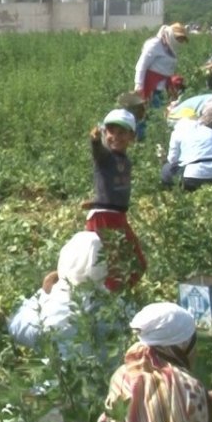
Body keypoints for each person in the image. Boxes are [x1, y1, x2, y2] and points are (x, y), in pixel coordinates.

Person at [7, 231, 115, 358]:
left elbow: (17, 328)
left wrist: (44, 292)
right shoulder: (114, 306)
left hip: (59, 375)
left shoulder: (55, 303)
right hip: (106, 376)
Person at [85, 109, 146, 292]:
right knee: (109, 264)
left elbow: (108, 186)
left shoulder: (124, 160)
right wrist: (95, 141)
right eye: (111, 132)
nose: (116, 137)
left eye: (122, 133)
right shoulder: (105, 157)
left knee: (137, 262)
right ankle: (109, 298)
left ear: (132, 137)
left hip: (117, 215)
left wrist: (95, 199)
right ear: (104, 133)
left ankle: (117, 295)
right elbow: (98, 153)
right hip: (104, 217)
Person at [160, 114, 212, 191]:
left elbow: (172, 160)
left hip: (193, 177)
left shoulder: (177, 133)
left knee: (166, 169)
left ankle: (178, 190)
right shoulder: (210, 131)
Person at [133, 23, 188, 108]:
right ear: (171, 35)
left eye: (182, 40)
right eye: (179, 39)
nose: (180, 42)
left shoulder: (170, 47)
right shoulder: (155, 44)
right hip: (151, 86)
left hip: (163, 87)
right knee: (153, 112)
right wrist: (138, 85)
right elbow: (142, 65)